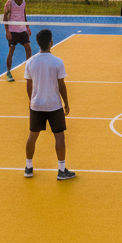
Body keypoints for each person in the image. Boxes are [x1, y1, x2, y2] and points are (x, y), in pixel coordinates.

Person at [24, 28, 75, 180]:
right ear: (51, 43)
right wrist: (66, 102)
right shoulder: (58, 62)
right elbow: (61, 85)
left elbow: (29, 85)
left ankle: (28, 167)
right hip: (54, 105)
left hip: (36, 105)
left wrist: (31, 100)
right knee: (59, 137)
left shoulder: (30, 62)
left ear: (38, 44)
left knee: (32, 136)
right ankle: (61, 170)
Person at [4, 0, 32, 82]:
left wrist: (27, 27)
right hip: (13, 31)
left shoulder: (24, 3)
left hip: (22, 30)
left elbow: (24, 15)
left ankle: (28, 71)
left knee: (28, 50)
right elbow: (5, 18)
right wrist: (7, 31)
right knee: (11, 51)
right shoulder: (9, 3)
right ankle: (8, 72)